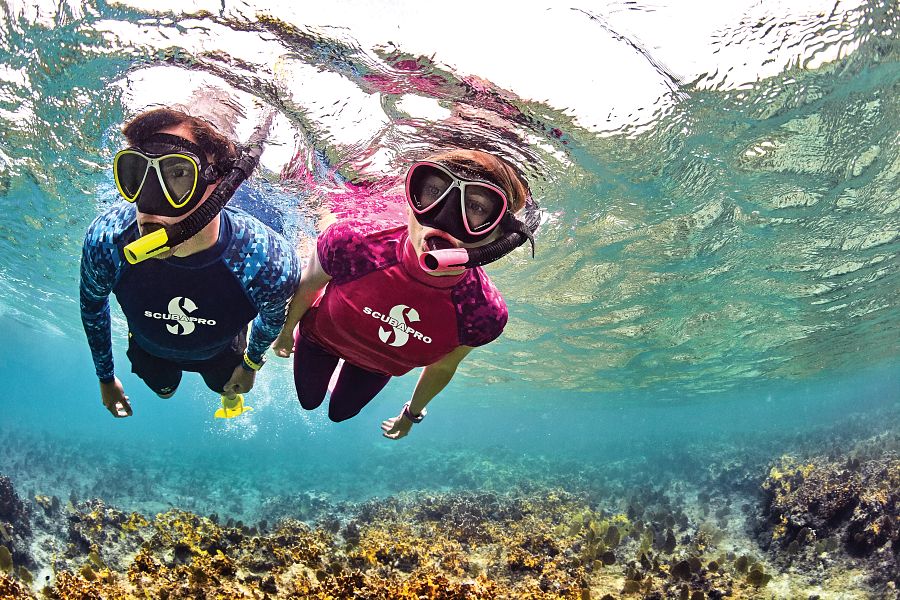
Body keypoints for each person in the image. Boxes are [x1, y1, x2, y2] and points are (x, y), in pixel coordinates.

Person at [273, 149, 537, 439]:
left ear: (501, 237)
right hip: (319, 341)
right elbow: (310, 285)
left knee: (341, 414)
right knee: (309, 402)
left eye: (476, 207)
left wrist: (412, 414)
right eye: (433, 190)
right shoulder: (351, 242)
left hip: (376, 369)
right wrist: (286, 332)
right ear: (411, 199)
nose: (442, 218)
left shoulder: (481, 313)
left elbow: (443, 366)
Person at [80, 105, 300, 418]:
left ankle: (230, 398)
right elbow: (92, 306)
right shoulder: (108, 239)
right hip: (149, 350)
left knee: (224, 387)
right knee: (164, 391)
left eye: (178, 173)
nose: (148, 208)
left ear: (222, 186)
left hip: (222, 354)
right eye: (137, 172)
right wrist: (105, 378)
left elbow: (271, 321)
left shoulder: (266, 259)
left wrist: (250, 365)